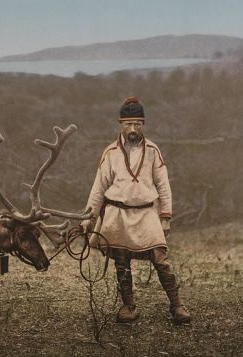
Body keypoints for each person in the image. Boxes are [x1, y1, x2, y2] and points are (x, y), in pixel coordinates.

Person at [81, 97, 191, 324]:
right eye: (128, 124)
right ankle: (128, 306)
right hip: (117, 215)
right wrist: (88, 218)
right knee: (121, 262)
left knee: (161, 259)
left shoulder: (153, 151)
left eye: (137, 124)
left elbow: (163, 185)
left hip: (146, 213)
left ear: (143, 124)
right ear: (121, 124)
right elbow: (98, 188)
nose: (133, 129)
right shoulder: (110, 152)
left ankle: (177, 305)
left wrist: (166, 217)